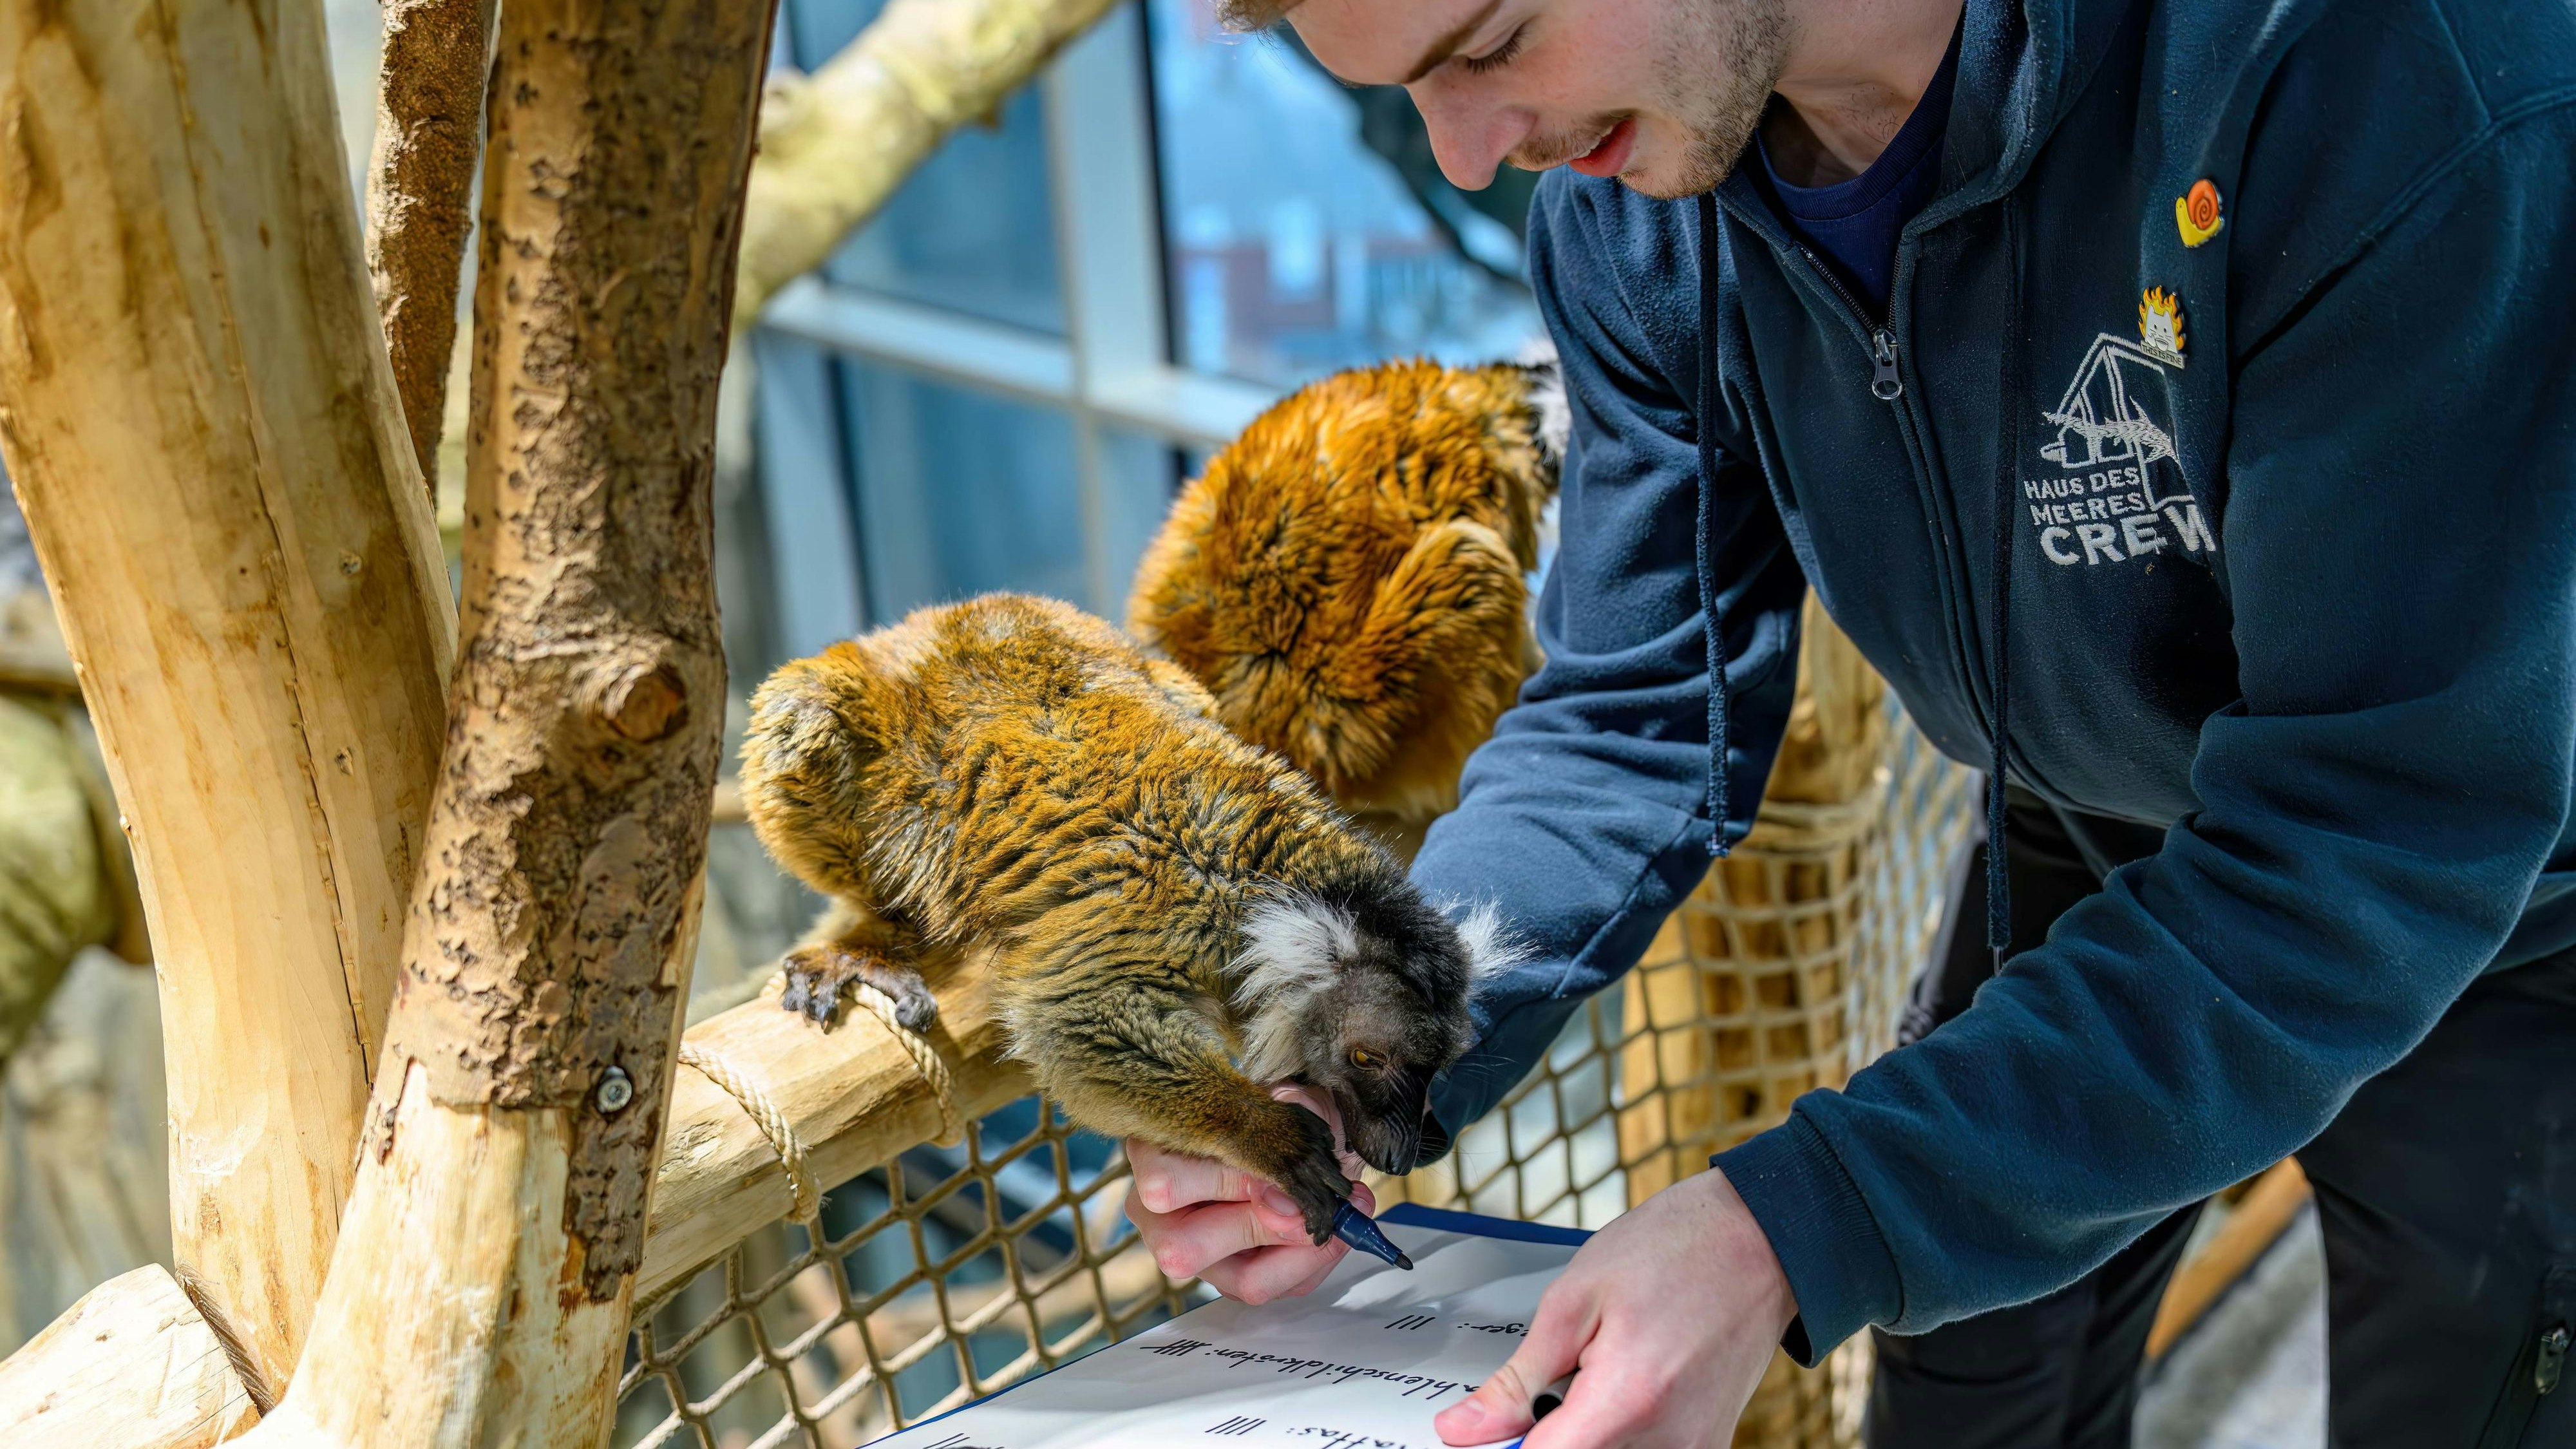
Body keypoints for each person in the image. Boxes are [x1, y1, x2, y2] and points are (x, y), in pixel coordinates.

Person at [1121, 0, 2576, 1443]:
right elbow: (1636, 710)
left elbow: (2373, 830)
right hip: (2080, 812)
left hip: (2498, 874)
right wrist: (1360, 1046)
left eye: (1490, 45)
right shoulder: (1631, 198)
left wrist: (1780, 1225)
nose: (1462, 157)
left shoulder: (2371, 75)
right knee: (1959, 1399)